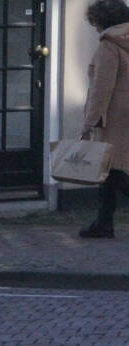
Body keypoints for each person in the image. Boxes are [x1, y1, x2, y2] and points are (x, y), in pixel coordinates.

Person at [81, 0, 129, 238]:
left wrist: (89, 123)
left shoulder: (108, 47)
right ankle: (104, 223)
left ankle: (104, 223)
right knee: (110, 170)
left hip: (113, 117)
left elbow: (102, 89)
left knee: (112, 170)